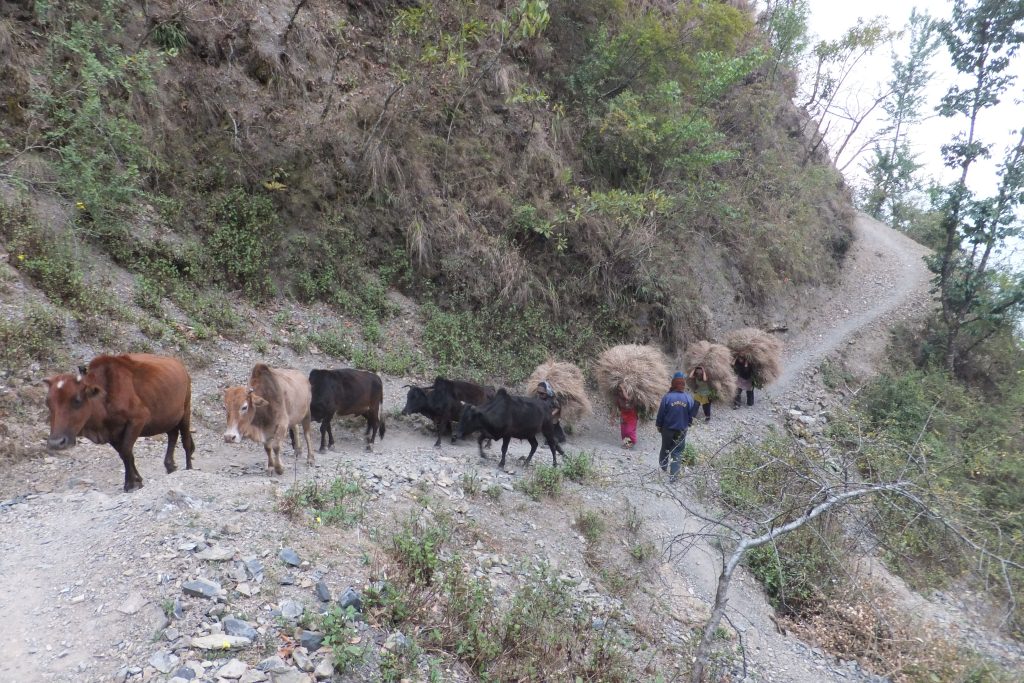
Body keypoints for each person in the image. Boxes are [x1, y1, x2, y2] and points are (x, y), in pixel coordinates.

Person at [655, 372, 700, 482]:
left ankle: (664, 467)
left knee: (665, 447)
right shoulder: (688, 398)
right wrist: (688, 423)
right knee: (677, 451)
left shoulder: (667, 397)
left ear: (673, 383)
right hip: (681, 430)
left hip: (667, 429)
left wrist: (659, 425)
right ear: (683, 384)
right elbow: (691, 415)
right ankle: (674, 476)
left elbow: (661, 414)